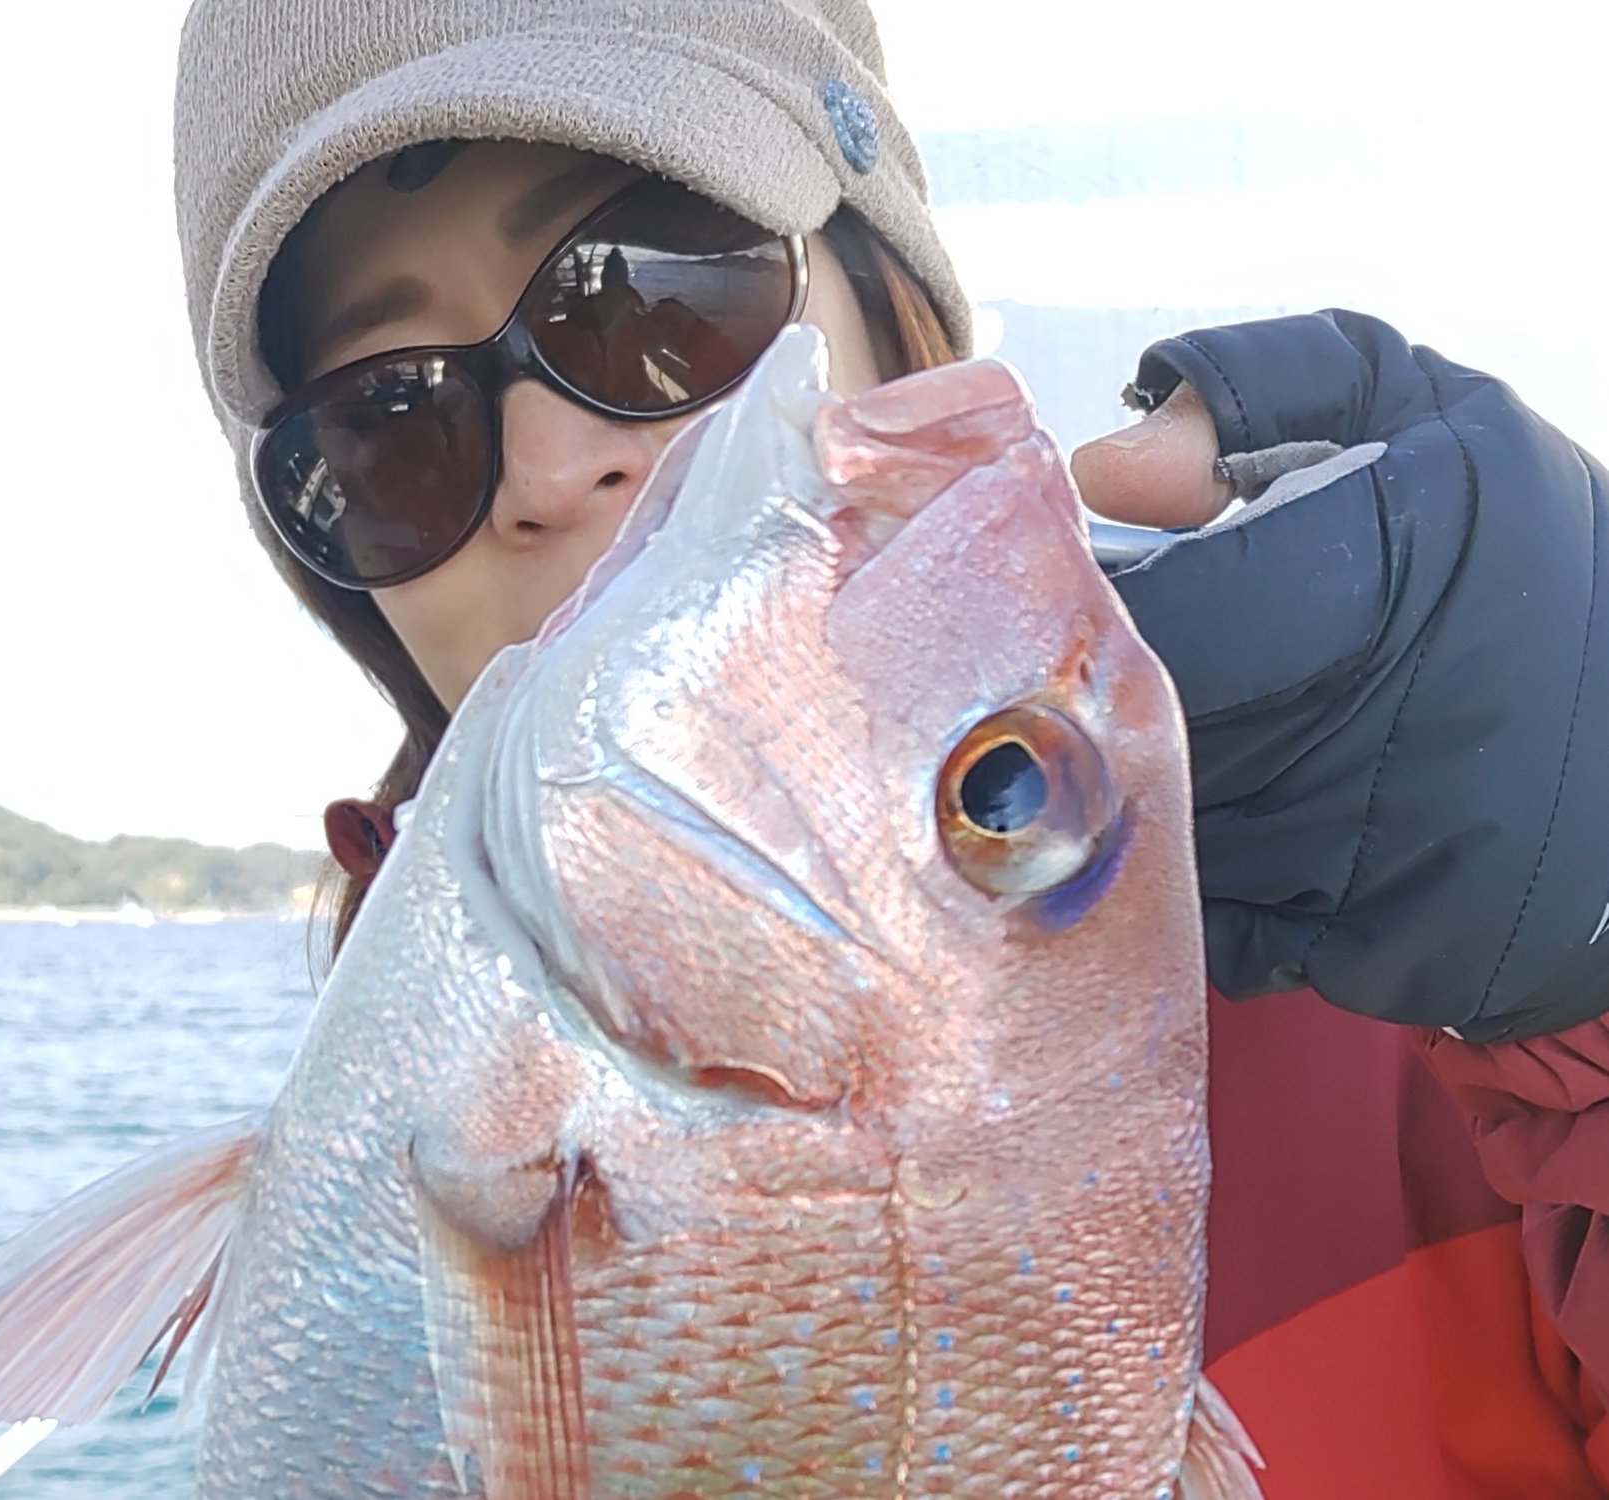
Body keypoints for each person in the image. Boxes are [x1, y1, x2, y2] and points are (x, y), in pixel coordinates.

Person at [173, 2, 1609, 1494]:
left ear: (893, 305)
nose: (551, 468)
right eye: (386, 424)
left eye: (653, 302)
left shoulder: (1458, 997)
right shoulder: (381, 1060)